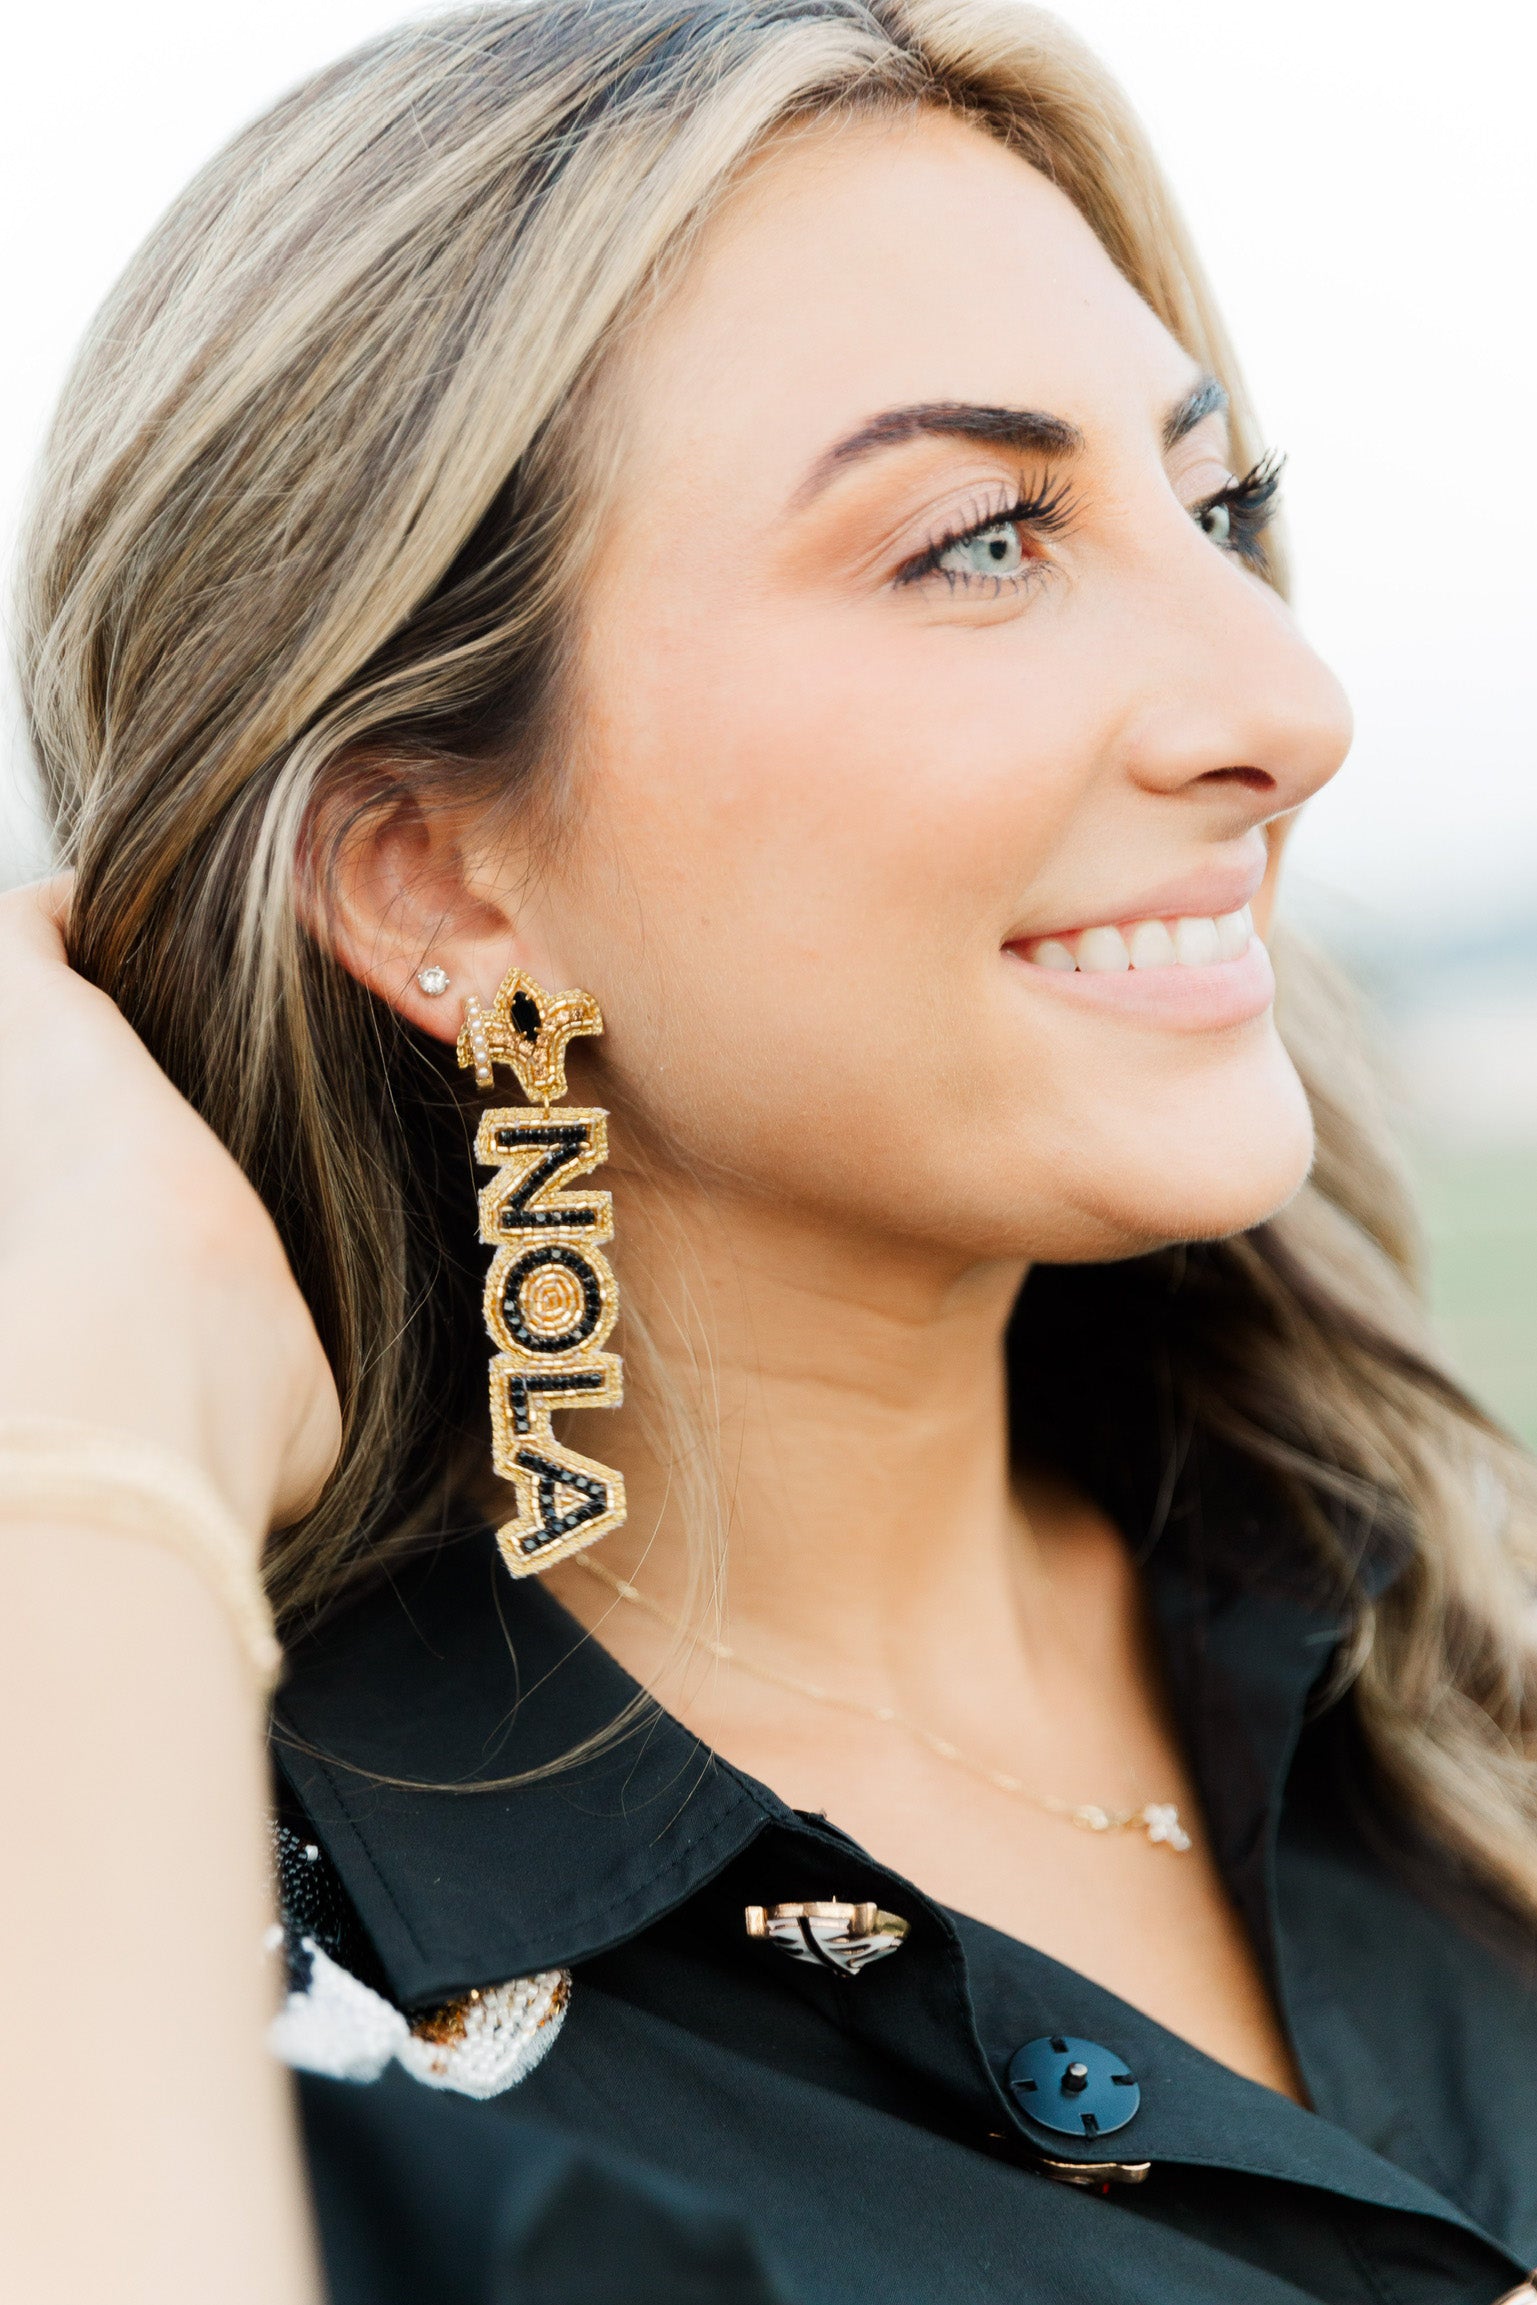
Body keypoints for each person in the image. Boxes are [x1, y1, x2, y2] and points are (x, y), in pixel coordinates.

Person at [4, 3, 1536, 2299]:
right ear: (431, 876)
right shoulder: (208, 1987)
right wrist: (87, 1449)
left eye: (1214, 506)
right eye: (981, 541)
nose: (1286, 708)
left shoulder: (1443, 1643)